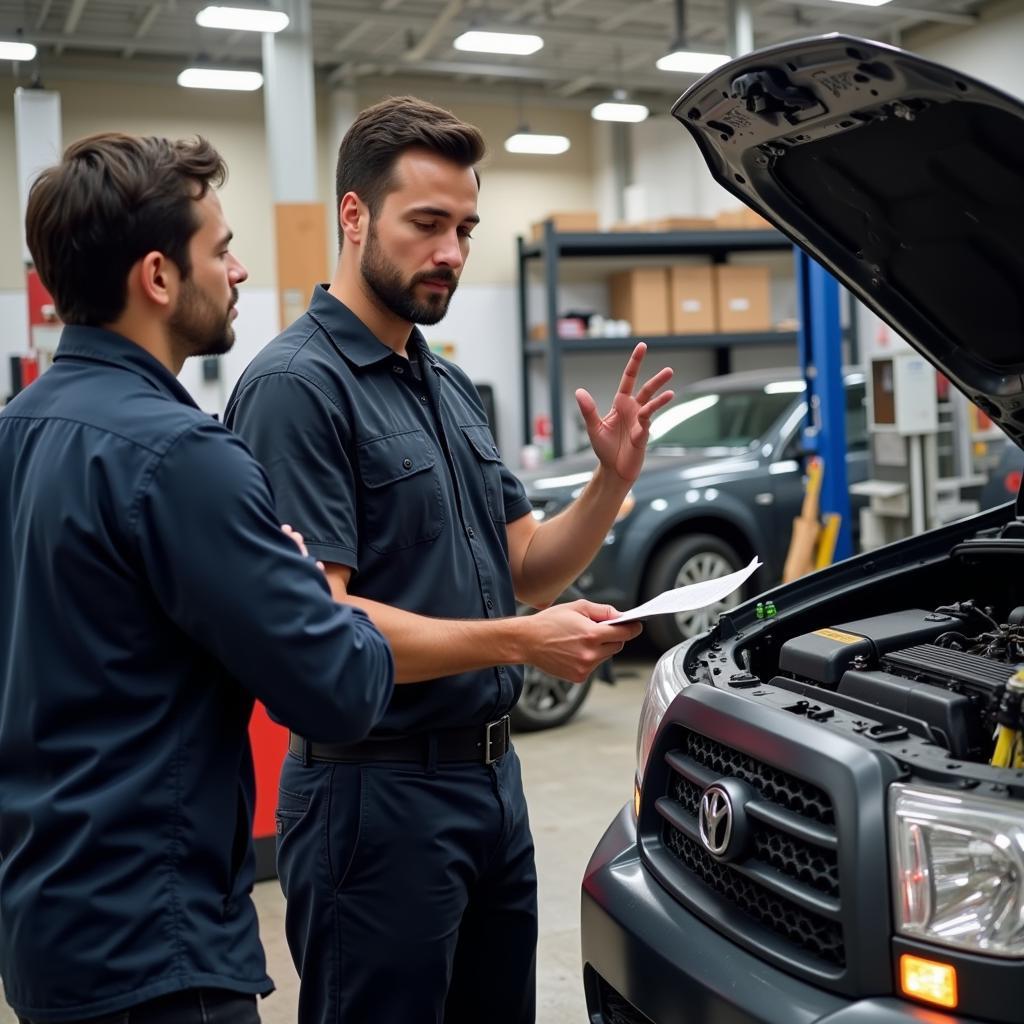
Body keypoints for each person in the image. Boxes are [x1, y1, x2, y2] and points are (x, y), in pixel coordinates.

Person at [226, 95, 673, 1024]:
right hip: (374, 797)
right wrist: (520, 644)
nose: (452, 253)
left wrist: (609, 485)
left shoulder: (445, 382)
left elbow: (526, 567)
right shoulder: (295, 390)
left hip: (489, 788)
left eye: (465, 227)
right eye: (427, 224)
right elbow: (325, 619)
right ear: (353, 217)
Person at [0, 133, 395, 1024]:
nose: (240, 270)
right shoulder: (181, 458)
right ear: (158, 277)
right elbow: (340, 689)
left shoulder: (16, 434)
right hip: (158, 955)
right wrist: (299, 576)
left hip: (45, 932)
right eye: (220, 249)